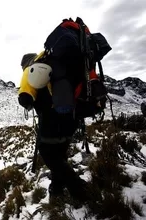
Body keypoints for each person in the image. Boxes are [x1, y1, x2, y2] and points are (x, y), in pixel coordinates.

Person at [18, 17, 111, 202]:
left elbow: (25, 97)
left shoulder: (33, 69)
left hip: (53, 120)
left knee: (49, 155)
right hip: (73, 116)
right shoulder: (57, 63)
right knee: (60, 156)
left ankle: (81, 192)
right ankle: (56, 190)